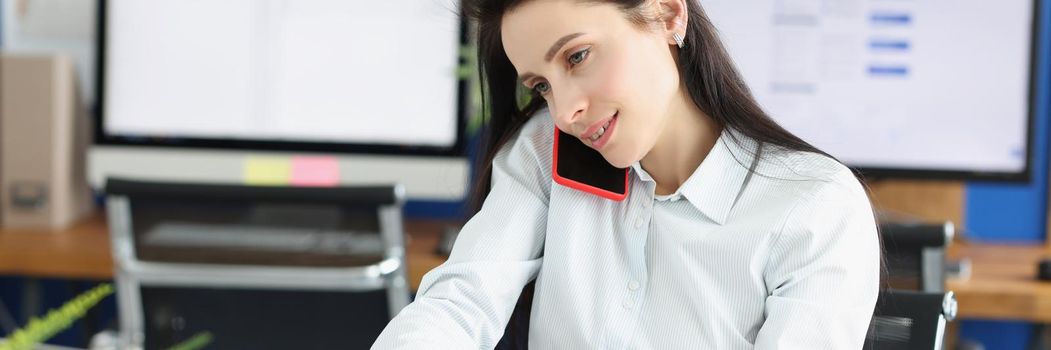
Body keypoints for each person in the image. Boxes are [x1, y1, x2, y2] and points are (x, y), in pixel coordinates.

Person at [373, 0, 880, 348]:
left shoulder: (816, 206)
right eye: (541, 86)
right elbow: (460, 304)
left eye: (578, 56)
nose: (566, 110)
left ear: (667, 14)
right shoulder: (544, 153)